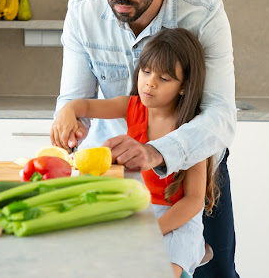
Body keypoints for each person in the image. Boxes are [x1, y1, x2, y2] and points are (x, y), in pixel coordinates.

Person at [52, 0, 238, 278]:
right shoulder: (82, 10)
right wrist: (70, 124)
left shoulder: (203, 13)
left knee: (215, 272)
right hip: (115, 173)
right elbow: (75, 100)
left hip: (187, 167)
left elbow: (219, 116)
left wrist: (155, 151)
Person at [53, 28, 219, 277]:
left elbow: (193, 201)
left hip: (179, 221)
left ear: (184, 87)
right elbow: (84, 105)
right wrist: (68, 111)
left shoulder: (191, 131)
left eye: (164, 79)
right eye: (146, 71)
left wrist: (152, 230)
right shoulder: (132, 107)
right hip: (143, 209)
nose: (150, 82)